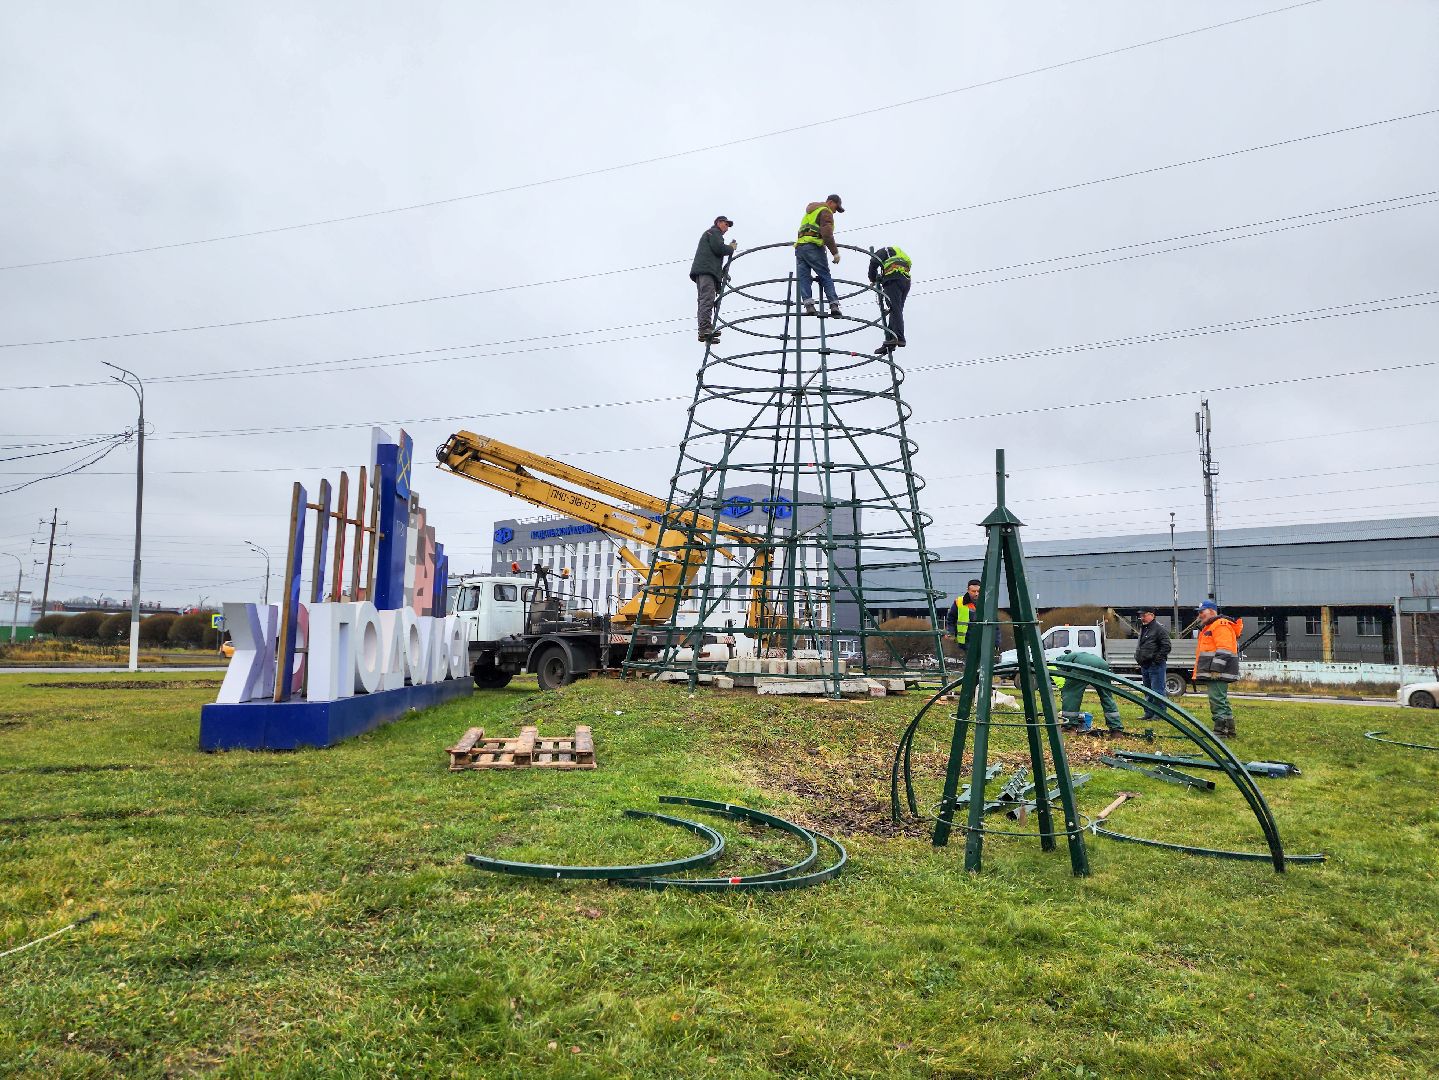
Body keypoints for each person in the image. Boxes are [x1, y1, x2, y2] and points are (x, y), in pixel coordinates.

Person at [1194, 599, 1243, 738]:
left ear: (1211, 611)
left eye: (1202, 612)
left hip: (1217, 672)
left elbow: (1225, 649)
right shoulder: (1212, 626)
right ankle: (1228, 731)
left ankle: (1220, 731)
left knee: (1217, 700)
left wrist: (1215, 669)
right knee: (1221, 700)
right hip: (1216, 671)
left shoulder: (1219, 625)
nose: (1200, 615)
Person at [794, 195, 845, 318]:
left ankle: (809, 306)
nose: (835, 211)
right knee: (825, 275)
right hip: (814, 247)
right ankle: (834, 305)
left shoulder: (811, 211)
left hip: (800, 247)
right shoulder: (825, 211)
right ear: (830, 202)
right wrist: (835, 252)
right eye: (836, 208)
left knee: (804, 277)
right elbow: (827, 234)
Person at [1053, 647, 1125, 733]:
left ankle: (1069, 727)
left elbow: (1062, 684)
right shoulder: (1076, 655)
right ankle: (1116, 729)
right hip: (1102, 664)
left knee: (1071, 693)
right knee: (1106, 695)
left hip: (1084, 664)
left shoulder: (1056, 663)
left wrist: (1066, 690)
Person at [690, 215, 737, 344]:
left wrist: (722, 274)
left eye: (728, 226)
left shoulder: (713, 234)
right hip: (706, 271)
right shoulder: (714, 232)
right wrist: (730, 248)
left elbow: (714, 256)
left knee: (707, 299)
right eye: (725, 224)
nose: (727, 228)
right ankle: (705, 328)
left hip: (708, 271)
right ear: (718, 223)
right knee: (707, 298)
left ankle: (706, 331)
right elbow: (719, 249)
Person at [867, 244, 912, 353]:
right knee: (896, 309)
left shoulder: (881, 252)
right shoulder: (899, 252)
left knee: (895, 308)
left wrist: (873, 278)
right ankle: (892, 340)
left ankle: (899, 338)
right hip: (905, 281)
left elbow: (873, 264)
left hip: (893, 279)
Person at [1133, 606, 1171, 720]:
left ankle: (1159, 714)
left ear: (1152, 615)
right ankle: (1149, 713)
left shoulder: (1159, 629)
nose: (1142, 618)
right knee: (1148, 690)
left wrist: (1156, 660)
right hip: (1145, 664)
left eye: (1144, 615)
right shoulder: (1144, 628)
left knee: (1157, 691)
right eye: (1141, 616)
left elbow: (1166, 646)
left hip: (1156, 665)